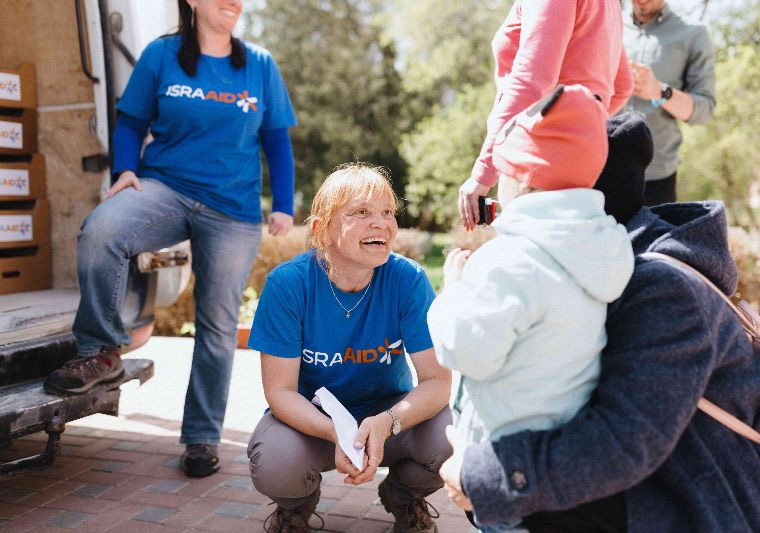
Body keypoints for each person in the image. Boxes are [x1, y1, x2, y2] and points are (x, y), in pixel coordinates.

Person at [440, 112, 760, 532]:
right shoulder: (583, 268)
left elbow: (623, 442)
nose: (502, 195)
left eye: (511, 178)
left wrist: (483, 476)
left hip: (696, 509)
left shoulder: (664, 289)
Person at [43, 0, 297, 478]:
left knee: (218, 325)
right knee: (102, 230)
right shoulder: (162, 55)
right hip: (165, 189)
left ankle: (201, 437)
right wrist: (125, 171)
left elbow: (277, 140)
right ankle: (99, 352)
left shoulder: (259, 65)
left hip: (232, 208)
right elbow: (132, 121)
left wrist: (283, 204)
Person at [429, 85, 634, 532]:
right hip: (551, 460)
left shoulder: (512, 260)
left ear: (523, 176)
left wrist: (452, 292)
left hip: (500, 459)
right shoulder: (603, 250)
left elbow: (466, 351)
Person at [246, 164, 453, 533]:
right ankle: (296, 504)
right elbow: (279, 392)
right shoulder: (288, 284)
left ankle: (404, 497)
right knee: (276, 463)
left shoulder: (409, 278)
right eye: (361, 212)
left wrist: (388, 422)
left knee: (451, 439)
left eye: (388, 213)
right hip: (313, 420)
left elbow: (437, 381)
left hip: (387, 416)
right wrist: (334, 432)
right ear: (321, 229)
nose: (382, 224)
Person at [458, 0, 634, 230]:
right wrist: (584, 127)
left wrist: (484, 172)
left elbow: (530, 82)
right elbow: (622, 86)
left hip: (541, 160)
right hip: (586, 161)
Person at [623, 0, 716, 205]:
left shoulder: (694, 33)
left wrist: (659, 92)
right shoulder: (608, 26)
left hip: (656, 179)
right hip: (598, 172)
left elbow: (705, 109)